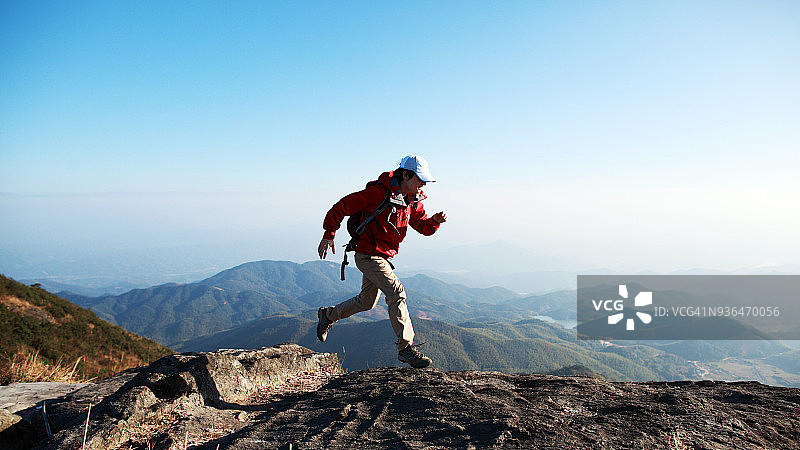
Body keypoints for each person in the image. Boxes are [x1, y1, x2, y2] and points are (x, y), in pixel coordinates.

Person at [317, 155, 447, 368]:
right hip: (368, 256)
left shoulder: (410, 199)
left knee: (366, 302)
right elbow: (342, 206)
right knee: (396, 292)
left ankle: (327, 315)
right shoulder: (378, 193)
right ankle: (406, 348)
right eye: (420, 179)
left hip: (383, 256)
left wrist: (434, 221)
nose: (423, 184)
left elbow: (423, 227)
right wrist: (329, 233)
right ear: (405, 175)